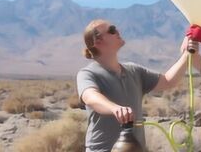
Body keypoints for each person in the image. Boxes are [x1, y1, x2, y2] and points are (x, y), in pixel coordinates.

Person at [76, 19, 194, 152]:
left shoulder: (134, 70)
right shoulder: (87, 73)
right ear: (97, 41)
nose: (118, 32)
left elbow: (168, 81)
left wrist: (187, 54)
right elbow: (90, 97)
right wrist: (114, 108)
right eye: (112, 30)